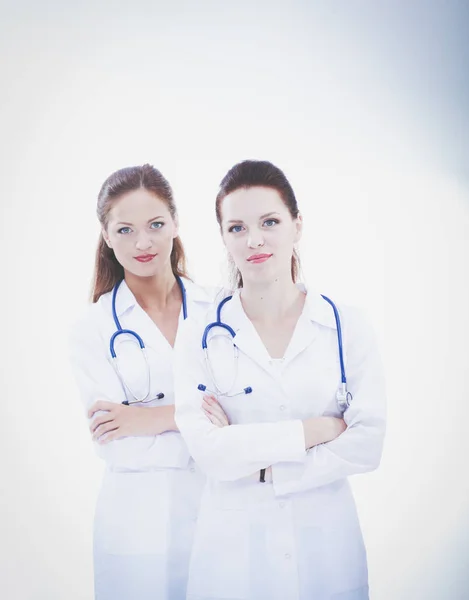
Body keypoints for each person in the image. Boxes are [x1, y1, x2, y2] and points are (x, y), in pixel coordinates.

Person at [174, 160, 386, 600]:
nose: (254, 239)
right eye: (236, 227)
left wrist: (262, 464)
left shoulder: (346, 326)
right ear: (223, 237)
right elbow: (210, 453)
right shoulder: (199, 334)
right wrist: (317, 431)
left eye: (269, 221)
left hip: (325, 550)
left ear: (297, 226)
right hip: (232, 555)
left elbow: (368, 444)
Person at [69, 164, 218, 600]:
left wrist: (148, 418)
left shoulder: (221, 310)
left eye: (155, 224)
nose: (143, 242)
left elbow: (248, 420)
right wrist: (203, 423)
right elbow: (117, 443)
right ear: (106, 235)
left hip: (222, 513)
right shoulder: (93, 327)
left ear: (175, 222)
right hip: (137, 526)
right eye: (125, 229)